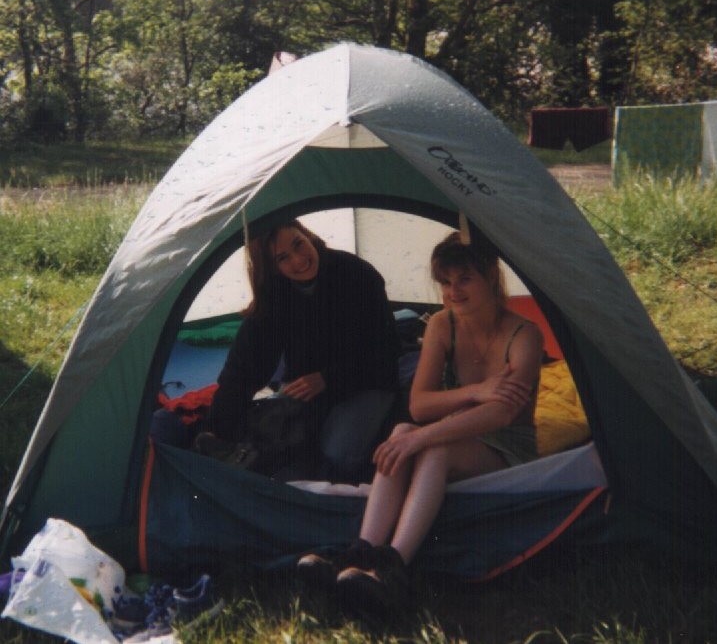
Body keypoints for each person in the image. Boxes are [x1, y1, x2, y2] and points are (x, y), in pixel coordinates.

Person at [297, 230, 544, 614]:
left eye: (464, 279)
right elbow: (419, 406)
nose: (453, 291)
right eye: (445, 282)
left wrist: (424, 437)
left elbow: (503, 412)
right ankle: (358, 558)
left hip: (507, 447)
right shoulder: (442, 325)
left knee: (430, 447)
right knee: (402, 432)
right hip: (451, 435)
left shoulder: (524, 335)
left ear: (491, 277)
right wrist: (473, 392)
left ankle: (393, 571)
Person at [201, 219, 401, 482]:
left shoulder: (357, 274)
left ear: (307, 235)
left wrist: (327, 379)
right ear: (273, 268)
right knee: (276, 441)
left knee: (338, 454)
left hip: (368, 380)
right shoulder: (276, 294)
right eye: (283, 258)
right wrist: (216, 429)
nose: (299, 260)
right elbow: (244, 366)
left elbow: (386, 352)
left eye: (299, 244)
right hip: (309, 387)